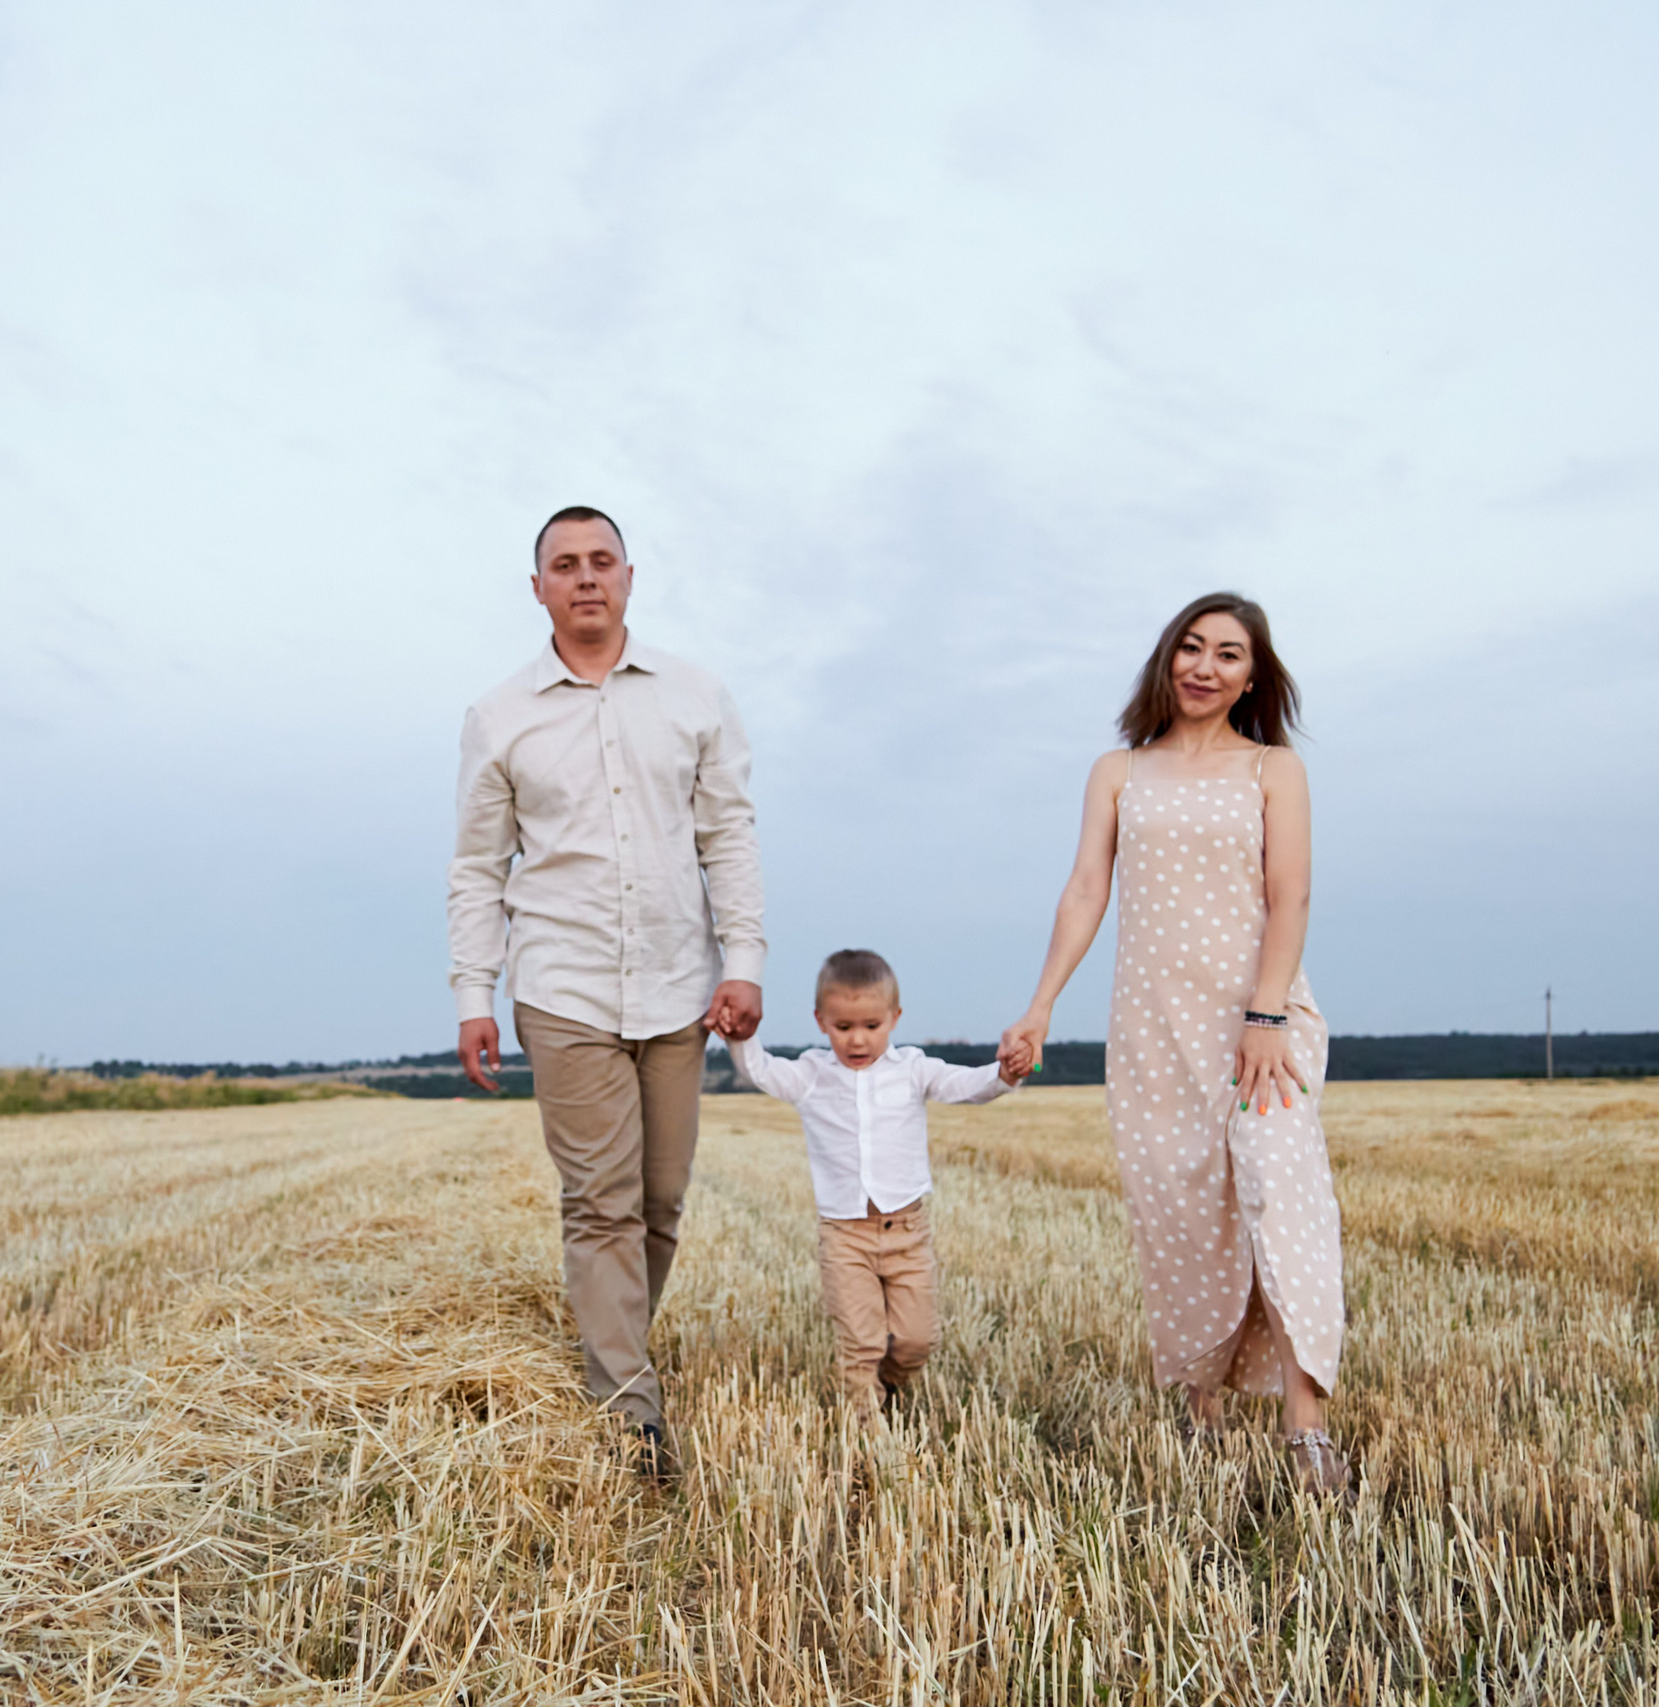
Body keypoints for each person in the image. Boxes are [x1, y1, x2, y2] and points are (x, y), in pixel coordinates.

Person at [998, 592, 1352, 1496]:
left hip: (1259, 1023)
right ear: (1166, 659)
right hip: (1153, 1029)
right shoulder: (1118, 770)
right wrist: (1040, 1005)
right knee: (1185, 1216)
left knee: (1284, 1195)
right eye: (1190, 647)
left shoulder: (1273, 769)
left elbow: (1292, 894)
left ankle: (1306, 1423)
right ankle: (1201, 1410)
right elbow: (1086, 889)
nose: (1204, 666)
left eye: (1228, 654)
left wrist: (1267, 1014)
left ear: (1252, 676)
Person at [448, 506, 766, 1478]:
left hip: (678, 986)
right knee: (600, 1202)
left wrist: (742, 957)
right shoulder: (499, 716)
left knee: (660, 1200)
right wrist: (474, 990)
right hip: (562, 983)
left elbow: (728, 835)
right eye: (563, 565)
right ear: (537, 587)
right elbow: (476, 866)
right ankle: (630, 1413)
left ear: (629, 576)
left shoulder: (695, 695)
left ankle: (608, 1339)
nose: (584, 578)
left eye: (600, 562)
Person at [729, 950, 1026, 1421]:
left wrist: (1005, 1074)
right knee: (861, 1341)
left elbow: (965, 1084)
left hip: (908, 1232)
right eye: (843, 1027)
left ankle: (889, 1387)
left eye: (871, 1024)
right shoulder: (811, 1075)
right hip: (845, 1235)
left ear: (895, 1018)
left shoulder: (912, 1069)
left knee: (916, 1341)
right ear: (820, 1021)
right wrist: (742, 1039)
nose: (858, 1039)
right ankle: (865, 1433)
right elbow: (761, 1070)